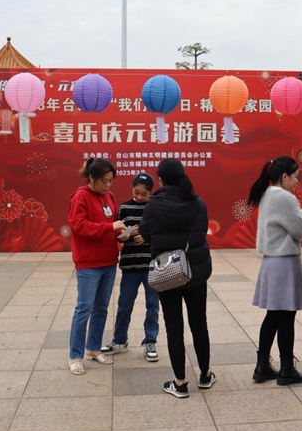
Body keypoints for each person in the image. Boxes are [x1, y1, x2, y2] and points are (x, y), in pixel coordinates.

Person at [140, 158, 214, 398]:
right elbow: (201, 231)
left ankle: (180, 383)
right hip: (196, 271)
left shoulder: (153, 205)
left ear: (160, 180)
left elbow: (145, 233)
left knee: (174, 329)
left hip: (167, 274)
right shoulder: (198, 203)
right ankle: (205, 375)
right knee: (199, 324)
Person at [248, 156, 302, 386]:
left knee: (273, 316)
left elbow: (290, 221)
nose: (297, 182)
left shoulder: (268, 194)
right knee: (286, 317)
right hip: (285, 262)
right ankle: (287, 368)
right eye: (295, 176)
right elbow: (299, 230)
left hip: (271, 262)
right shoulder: (285, 197)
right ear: (284, 177)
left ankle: (262, 366)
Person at [67, 158, 126, 375]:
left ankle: (93, 348)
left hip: (108, 260)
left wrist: (122, 234)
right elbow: (79, 226)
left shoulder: (108, 196)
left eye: (111, 180)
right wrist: (109, 227)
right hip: (88, 263)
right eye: (104, 181)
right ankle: (75, 356)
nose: (108, 185)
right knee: (84, 308)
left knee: (101, 307)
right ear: (91, 177)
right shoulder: (80, 196)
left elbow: (113, 225)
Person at [101, 172, 161, 362]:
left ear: (151, 192)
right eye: (136, 192)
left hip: (152, 265)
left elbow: (163, 233)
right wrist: (124, 236)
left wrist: (147, 237)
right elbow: (117, 234)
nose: (140, 197)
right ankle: (119, 341)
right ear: (132, 188)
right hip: (130, 265)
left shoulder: (155, 207)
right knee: (124, 305)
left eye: (144, 194)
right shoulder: (125, 207)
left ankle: (150, 341)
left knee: (153, 306)